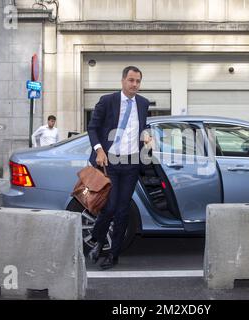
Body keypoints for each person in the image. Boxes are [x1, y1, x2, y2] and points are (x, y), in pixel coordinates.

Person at [87, 66, 150, 270]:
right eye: (131, 80)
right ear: (123, 80)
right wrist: (99, 150)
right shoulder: (108, 101)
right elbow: (93, 127)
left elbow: (143, 125)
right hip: (110, 162)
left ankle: (113, 255)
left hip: (131, 163)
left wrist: (147, 135)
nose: (134, 85)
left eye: (138, 81)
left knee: (123, 211)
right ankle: (98, 240)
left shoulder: (143, 103)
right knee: (110, 207)